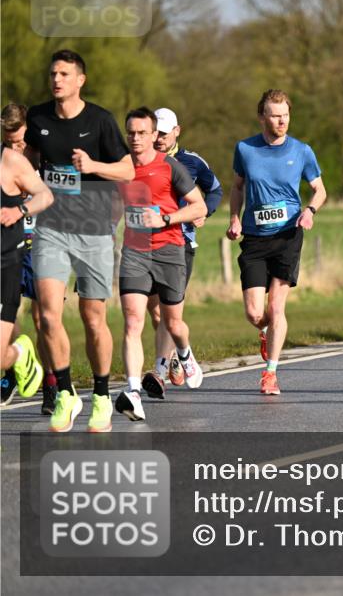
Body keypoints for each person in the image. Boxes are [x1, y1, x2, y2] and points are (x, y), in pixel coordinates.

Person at [24, 49, 135, 433]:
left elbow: (127, 169)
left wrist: (93, 166)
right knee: (49, 314)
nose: (57, 80)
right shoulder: (37, 119)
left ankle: (101, 395)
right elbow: (29, 159)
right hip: (50, 229)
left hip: (94, 231)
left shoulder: (100, 121)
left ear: (80, 80)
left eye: (65, 74)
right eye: (53, 73)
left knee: (93, 317)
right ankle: (67, 391)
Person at [227, 90, 326, 395]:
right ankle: (269, 334)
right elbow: (237, 186)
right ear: (262, 117)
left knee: (276, 305)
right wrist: (234, 217)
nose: (281, 120)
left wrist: (309, 211)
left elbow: (319, 190)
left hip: (287, 235)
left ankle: (270, 373)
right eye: (275, 114)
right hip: (255, 237)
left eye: (285, 114)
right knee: (255, 313)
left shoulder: (302, 150)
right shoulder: (245, 149)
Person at [114, 108, 208, 423]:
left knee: (173, 324)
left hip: (170, 250)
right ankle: (133, 393)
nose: (136, 139)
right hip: (135, 252)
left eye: (142, 133)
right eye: (131, 133)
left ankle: (184, 353)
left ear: (155, 135)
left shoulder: (171, 167)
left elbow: (200, 205)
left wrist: (165, 218)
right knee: (132, 322)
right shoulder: (122, 168)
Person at [140, 107, 223, 398]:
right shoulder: (143, 160)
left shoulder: (192, 161)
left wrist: (204, 212)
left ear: (178, 131)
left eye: (164, 133)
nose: (159, 138)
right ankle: (175, 355)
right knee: (154, 313)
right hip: (145, 245)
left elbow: (215, 191)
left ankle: (159, 371)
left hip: (180, 244)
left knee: (167, 311)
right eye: (156, 133)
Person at [0, 103, 57, 413]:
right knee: (12, 315)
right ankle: (12, 366)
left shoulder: (42, 157)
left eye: (19, 140)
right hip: (9, 246)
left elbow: (58, 193)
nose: (15, 146)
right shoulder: (5, 159)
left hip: (41, 242)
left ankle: (50, 384)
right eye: (9, 140)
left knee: (43, 317)